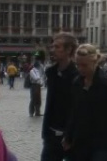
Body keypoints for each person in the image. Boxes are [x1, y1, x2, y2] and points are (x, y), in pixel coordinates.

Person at [63, 44, 107, 161]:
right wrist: (68, 136)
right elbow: (73, 111)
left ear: (94, 62)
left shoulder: (105, 84)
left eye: (84, 65)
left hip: (101, 142)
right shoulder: (77, 82)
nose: (80, 69)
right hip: (80, 140)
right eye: (78, 65)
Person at [41, 32, 79, 161]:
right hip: (51, 135)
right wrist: (46, 133)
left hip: (71, 138)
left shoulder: (77, 76)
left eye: (57, 47)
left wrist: (70, 135)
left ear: (69, 49)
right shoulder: (51, 73)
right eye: (52, 46)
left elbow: (76, 109)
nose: (53, 50)